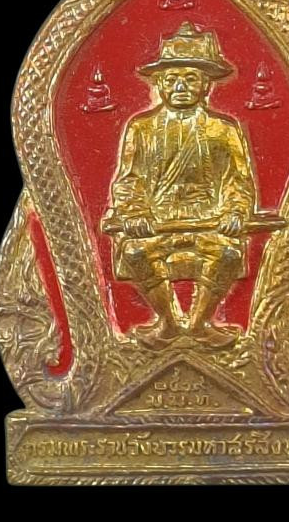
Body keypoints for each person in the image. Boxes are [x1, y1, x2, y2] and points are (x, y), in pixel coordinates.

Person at [105, 21, 258, 348]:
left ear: (206, 85)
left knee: (229, 253)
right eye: (172, 78)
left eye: (190, 78)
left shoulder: (224, 129)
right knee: (134, 251)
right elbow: (128, 180)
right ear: (159, 84)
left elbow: (239, 180)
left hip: (207, 222)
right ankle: (170, 324)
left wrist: (235, 211)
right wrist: (135, 213)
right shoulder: (141, 128)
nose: (180, 86)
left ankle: (200, 325)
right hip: (157, 224)